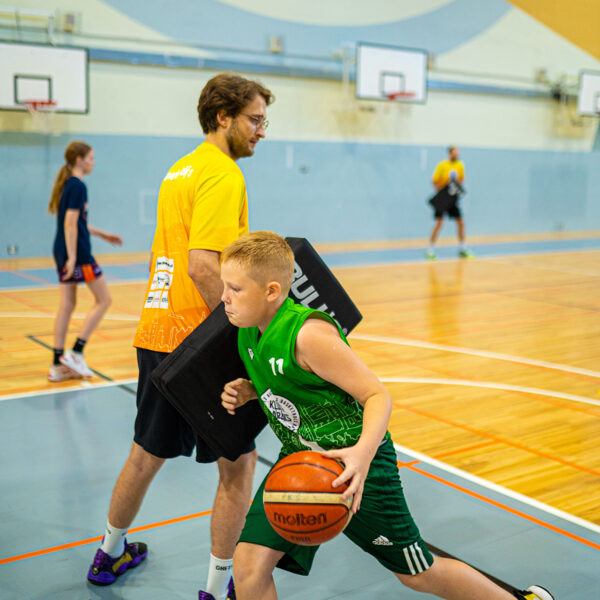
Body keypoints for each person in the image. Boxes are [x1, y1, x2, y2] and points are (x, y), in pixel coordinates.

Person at [220, 231, 553, 600]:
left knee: (418, 574)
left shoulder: (308, 334)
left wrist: (361, 456)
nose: (223, 298)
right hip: (299, 462)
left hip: (358, 466)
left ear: (271, 291)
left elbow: (377, 395)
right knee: (249, 566)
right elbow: (293, 384)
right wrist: (252, 391)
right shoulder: (247, 331)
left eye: (234, 288)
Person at [85, 74, 273, 600]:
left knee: (145, 453)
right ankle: (218, 588)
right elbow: (202, 266)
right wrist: (242, 334)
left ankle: (110, 551)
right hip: (199, 343)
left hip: (156, 332)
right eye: (255, 120)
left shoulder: (180, 169)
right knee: (237, 465)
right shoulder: (223, 174)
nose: (262, 131)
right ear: (223, 117)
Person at [48, 141, 123, 382]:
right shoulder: (78, 185)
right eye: (90, 158)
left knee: (67, 305)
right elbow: (70, 223)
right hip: (78, 254)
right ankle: (76, 352)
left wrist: (102, 234)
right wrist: (73, 258)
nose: (93, 162)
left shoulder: (68, 184)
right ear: (79, 160)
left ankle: (57, 364)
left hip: (62, 249)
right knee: (104, 299)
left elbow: (76, 223)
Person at [426, 146, 473, 260]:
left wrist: (456, 185)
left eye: (458, 153)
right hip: (443, 198)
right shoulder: (442, 165)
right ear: (449, 154)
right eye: (454, 153)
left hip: (453, 199)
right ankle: (430, 249)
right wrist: (442, 193)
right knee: (439, 223)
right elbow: (434, 181)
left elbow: (461, 180)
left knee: (461, 222)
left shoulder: (460, 165)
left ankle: (462, 248)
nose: (456, 155)